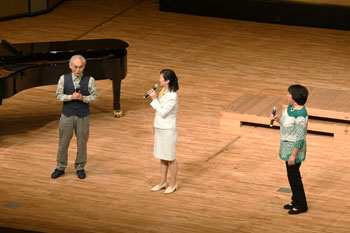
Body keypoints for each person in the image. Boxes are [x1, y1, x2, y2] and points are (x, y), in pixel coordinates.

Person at [51, 55, 98, 179]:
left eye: (80, 67)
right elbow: (58, 96)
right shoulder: (63, 78)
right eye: (75, 67)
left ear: (84, 67)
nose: (78, 70)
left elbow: (94, 97)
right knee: (63, 143)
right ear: (70, 66)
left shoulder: (90, 80)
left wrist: (83, 98)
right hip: (67, 115)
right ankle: (60, 167)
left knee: (82, 143)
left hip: (83, 116)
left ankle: (80, 167)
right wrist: (70, 97)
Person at [271, 84, 309, 214]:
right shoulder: (290, 108)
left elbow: (300, 138)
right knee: (291, 176)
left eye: (289, 94)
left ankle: (301, 204)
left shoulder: (300, 116)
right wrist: (277, 120)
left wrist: (293, 155)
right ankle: (295, 200)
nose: (287, 96)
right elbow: (287, 125)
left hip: (294, 151)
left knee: (294, 177)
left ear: (295, 97)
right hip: (287, 148)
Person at [147, 69, 179, 194]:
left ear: (167, 81)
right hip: (160, 128)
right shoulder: (163, 91)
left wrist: (154, 99)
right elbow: (158, 113)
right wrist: (155, 124)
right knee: (162, 156)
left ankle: (173, 183)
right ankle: (162, 182)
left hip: (168, 130)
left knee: (170, 157)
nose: (159, 80)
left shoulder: (172, 96)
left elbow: (163, 112)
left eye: (161, 78)